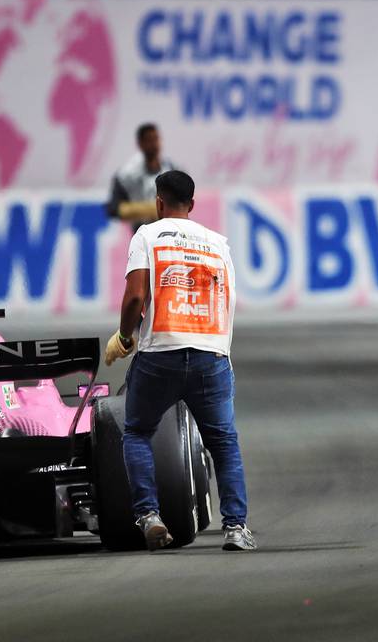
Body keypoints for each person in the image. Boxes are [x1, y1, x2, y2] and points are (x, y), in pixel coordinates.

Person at [103, 170, 253, 552]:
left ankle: (149, 516)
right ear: (193, 204)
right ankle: (235, 527)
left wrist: (124, 337)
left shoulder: (147, 236)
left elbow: (135, 297)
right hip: (211, 354)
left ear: (157, 202)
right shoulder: (219, 243)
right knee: (223, 443)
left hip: (161, 355)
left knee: (137, 432)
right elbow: (229, 299)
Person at [105, 123, 176, 229]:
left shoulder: (171, 169)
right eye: (149, 140)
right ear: (140, 144)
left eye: (156, 139)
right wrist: (151, 209)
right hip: (141, 231)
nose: (154, 144)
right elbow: (113, 209)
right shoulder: (127, 174)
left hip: (168, 232)